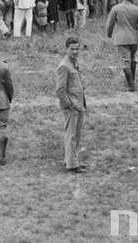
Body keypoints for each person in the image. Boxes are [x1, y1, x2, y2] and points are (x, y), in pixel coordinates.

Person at [105, 0, 138, 92]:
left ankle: (131, 85)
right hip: (134, 38)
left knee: (125, 61)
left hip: (121, 38)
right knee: (133, 59)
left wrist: (109, 34)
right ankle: (132, 81)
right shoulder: (137, 9)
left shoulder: (116, 8)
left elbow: (110, 23)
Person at [56, 37, 87, 173]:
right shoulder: (64, 66)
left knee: (76, 134)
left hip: (79, 104)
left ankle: (72, 160)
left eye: (77, 49)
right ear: (66, 49)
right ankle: (72, 165)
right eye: (72, 49)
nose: (75, 51)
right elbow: (60, 90)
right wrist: (69, 105)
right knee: (71, 135)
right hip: (72, 107)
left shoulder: (74, 63)